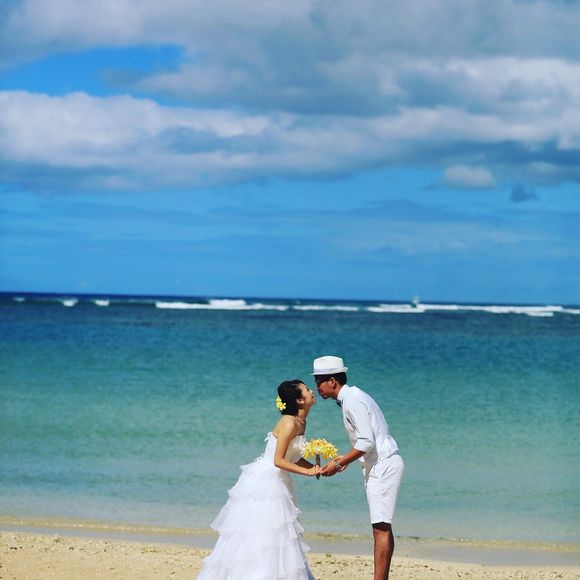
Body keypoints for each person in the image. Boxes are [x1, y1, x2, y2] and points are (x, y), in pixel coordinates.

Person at [198, 380, 320, 580]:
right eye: (307, 389)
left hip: (280, 480)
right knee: (265, 532)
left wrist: (314, 468)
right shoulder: (289, 422)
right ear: (299, 400)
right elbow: (278, 460)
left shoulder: (301, 422)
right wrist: (306, 473)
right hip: (267, 482)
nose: (311, 391)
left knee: (281, 534)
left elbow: (293, 457)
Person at [314, 356, 404, 580]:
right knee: (382, 526)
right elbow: (367, 440)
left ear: (332, 381)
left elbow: (366, 442)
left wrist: (340, 463)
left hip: (382, 464)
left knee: (380, 528)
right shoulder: (353, 397)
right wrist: (346, 458)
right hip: (380, 463)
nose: (317, 386)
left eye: (319, 381)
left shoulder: (352, 400)